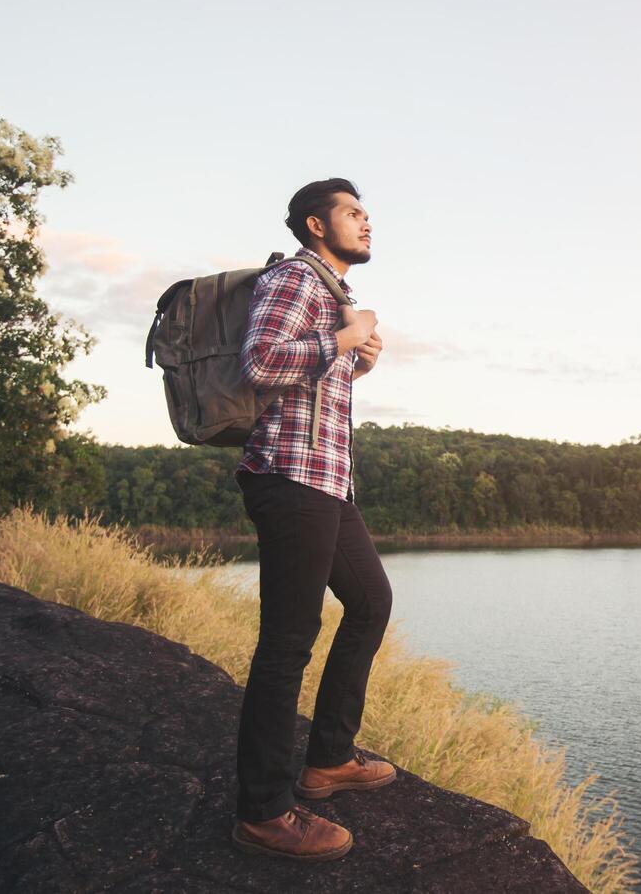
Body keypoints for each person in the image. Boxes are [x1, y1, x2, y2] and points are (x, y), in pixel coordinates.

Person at [229, 177, 395, 861]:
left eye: (366, 214)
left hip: (326, 482)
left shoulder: (331, 299)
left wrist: (352, 365)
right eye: (353, 214)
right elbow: (260, 363)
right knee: (287, 641)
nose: (367, 223)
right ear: (315, 225)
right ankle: (263, 811)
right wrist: (346, 337)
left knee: (369, 602)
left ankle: (327, 760)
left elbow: (304, 388)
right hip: (289, 480)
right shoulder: (295, 279)